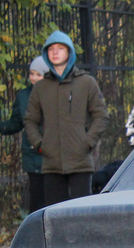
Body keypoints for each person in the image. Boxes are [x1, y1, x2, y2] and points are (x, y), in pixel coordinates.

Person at [24, 30, 109, 206]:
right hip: (51, 162)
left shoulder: (86, 82)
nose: (55, 52)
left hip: (81, 161)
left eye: (60, 48)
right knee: (54, 212)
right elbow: (30, 120)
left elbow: (101, 116)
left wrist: (86, 142)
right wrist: (40, 144)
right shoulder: (40, 87)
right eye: (51, 48)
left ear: (69, 52)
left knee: (82, 210)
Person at [0, 56, 49, 213]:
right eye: (32, 73)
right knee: (36, 201)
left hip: (54, 154)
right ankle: (35, 234)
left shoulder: (56, 94)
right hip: (33, 154)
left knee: (55, 199)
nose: (34, 78)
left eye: (39, 74)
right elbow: (15, 123)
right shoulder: (23, 96)